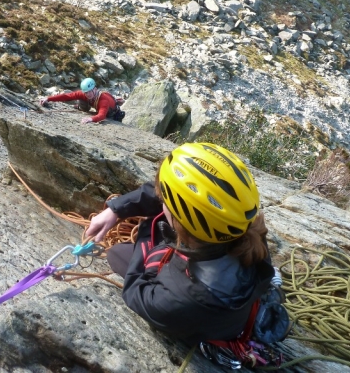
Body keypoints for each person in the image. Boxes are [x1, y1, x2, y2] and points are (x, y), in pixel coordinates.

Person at [85, 142, 275, 344]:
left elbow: (135, 291)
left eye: (164, 200)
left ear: (181, 222)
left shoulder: (170, 303)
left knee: (116, 254)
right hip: (204, 279)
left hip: (191, 307)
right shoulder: (242, 225)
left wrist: (146, 233)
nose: (160, 199)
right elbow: (184, 199)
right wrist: (117, 209)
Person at [39, 78, 123, 124]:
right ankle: (81, 107)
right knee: (81, 99)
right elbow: (67, 96)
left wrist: (91, 119)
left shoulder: (103, 100)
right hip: (96, 106)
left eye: (90, 91)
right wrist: (48, 98)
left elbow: (102, 115)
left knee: (108, 117)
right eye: (86, 92)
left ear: (95, 89)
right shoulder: (84, 93)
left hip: (111, 112)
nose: (88, 94)